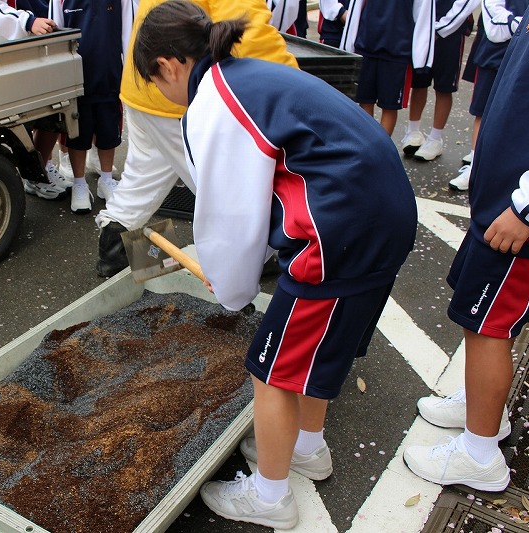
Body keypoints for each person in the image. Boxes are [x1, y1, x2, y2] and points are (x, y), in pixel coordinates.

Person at [132, 1, 418, 527]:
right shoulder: (245, 75)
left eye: (153, 81)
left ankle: (269, 499)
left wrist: (230, 287)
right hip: (384, 212)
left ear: (169, 65)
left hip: (338, 230)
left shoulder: (214, 103)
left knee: (271, 370)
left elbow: (233, 215)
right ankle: (307, 448)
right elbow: (269, 191)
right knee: (317, 348)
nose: (159, 92)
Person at [403, 0, 529, 493]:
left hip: (523, 210)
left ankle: (480, 453)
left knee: (489, 322)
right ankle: (482, 405)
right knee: (478, 317)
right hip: (504, 195)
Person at [95, 0, 298, 277]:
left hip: (144, 80)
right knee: (226, 189)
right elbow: (251, 34)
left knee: (142, 177)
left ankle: (114, 250)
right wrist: (295, 87)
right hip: (178, 94)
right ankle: (247, 262)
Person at [0, 0, 72, 200]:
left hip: (48, 35)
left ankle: (43, 167)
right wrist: (28, 22)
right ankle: (35, 176)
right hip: (16, 42)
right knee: (23, 117)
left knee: (54, 109)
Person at [48, 0, 135, 214]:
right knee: (78, 134)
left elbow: (129, 33)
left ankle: (106, 180)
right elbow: (55, 37)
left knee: (108, 130)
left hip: (110, 74)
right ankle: (79, 184)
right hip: (76, 78)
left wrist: (129, 76)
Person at [449, 0, 529, 191]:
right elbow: (494, 20)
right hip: (494, 55)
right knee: (483, 113)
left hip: (527, 57)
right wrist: (528, 26)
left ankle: (508, 173)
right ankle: (475, 167)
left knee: (521, 116)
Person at [340, 0, 435, 135]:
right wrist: (347, 46)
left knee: (389, 106)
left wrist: (422, 58)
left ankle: (381, 147)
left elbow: (424, 14)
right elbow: (356, 7)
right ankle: (367, 144)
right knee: (365, 102)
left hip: (397, 51)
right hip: (367, 44)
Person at [399, 0, 478, 161]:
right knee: (419, 81)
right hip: (423, 28)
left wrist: (441, 28)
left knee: (444, 87)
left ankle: (435, 138)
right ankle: (413, 132)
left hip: (451, 31)